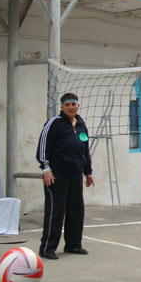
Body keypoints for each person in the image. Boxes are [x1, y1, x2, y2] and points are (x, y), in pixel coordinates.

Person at [36, 92, 94, 260]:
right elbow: (43, 147)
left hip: (76, 175)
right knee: (56, 212)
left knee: (76, 211)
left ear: (78, 105)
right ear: (62, 107)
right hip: (56, 176)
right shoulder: (54, 123)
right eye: (67, 104)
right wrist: (46, 169)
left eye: (73, 104)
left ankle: (73, 245)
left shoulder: (81, 125)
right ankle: (47, 248)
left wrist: (88, 172)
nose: (71, 107)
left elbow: (85, 150)